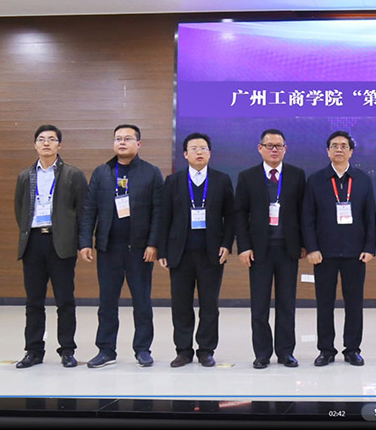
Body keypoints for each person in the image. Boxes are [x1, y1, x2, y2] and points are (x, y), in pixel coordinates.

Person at [79, 124, 164, 368]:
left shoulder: (151, 173)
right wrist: (85, 242)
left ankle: (143, 349)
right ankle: (106, 350)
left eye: (128, 139)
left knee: (142, 301)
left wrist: (153, 244)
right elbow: (89, 209)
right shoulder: (102, 172)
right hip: (109, 247)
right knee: (107, 301)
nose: (122, 142)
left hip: (139, 248)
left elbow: (159, 212)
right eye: (118, 139)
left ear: (139, 144)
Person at [157, 133, 235, 368]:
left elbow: (231, 216)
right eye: (194, 148)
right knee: (181, 304)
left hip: (211, 253)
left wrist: (226, 244)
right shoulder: (173, 181)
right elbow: (164, 217)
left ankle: (206, 350)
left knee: (209, 305)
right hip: (179, 253)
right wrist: (162, 251)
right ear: (185, 154)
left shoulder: (221, 180)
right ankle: (183, 350)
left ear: (210, 153)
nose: (199, 152)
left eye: (203, 148)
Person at [13, 125, 88, 369]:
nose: (46, 143)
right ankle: (33, 351)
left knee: (65, 300)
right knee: (34, 301)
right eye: (41, 139)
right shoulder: (25, 176)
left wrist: (82, 243)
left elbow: (83, 211)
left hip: (61, 243)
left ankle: (67, 350)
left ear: (59, 145)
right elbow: (20, 209)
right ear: (35, 144)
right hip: (33, 242)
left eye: (52, 139)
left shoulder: (73, 174)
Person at [302, 131, 376, 367]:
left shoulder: (362, 180)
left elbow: (370, 217)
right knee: (324, 304)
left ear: (351, 151)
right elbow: (307, 217)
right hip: (324, 254)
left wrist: (369, 247)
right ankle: (326, 350)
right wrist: (312, 248)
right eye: (334, 146)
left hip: (356, 253)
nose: (339, 149)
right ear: (327, 151)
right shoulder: (316, 180)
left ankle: (352, 349)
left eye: (344, 146)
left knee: (354, 304)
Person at [235, 128, 305, 369]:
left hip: (288, 249)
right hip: (259, 251)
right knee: (260, 305)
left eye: (278, 146)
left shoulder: (296, 175)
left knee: (287, 304)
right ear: (260, 148)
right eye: (269, 145)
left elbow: (303, 213)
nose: (274, 150)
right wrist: (244, 247)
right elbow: (239, 214)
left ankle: (286, 352)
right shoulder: (248, 176)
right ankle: (262, 353)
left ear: (285, 149)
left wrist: (304, 244)